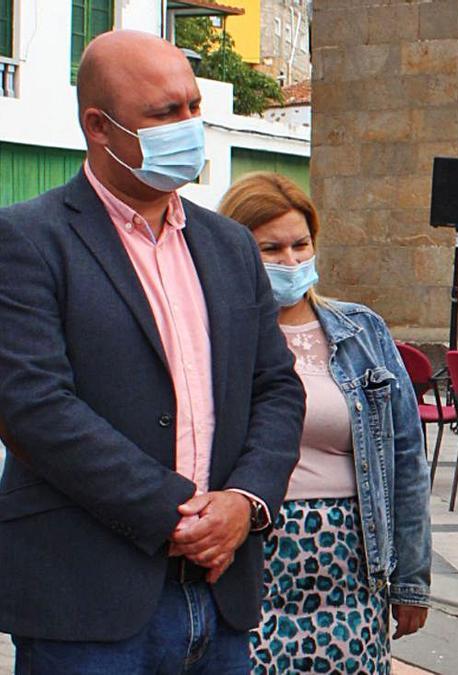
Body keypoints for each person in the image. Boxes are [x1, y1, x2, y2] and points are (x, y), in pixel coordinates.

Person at [0, 31, 304, 672]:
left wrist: (245, 502)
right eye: (165, 114)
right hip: (88, 606)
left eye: (193, 107)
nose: (189, 127)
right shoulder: (28, 240)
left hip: (222, 596)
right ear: (99, 127)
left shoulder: (228, 246)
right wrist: (177, 513)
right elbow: (33, 407)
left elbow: (276, 386)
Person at [217, 173, 432, 673]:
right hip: (252, 560)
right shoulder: (217, 334)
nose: (291, 261)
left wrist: (411, 581)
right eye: (271, 248)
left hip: (352, 562)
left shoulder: (361, 332)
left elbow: (405, 458)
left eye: (301, 244)